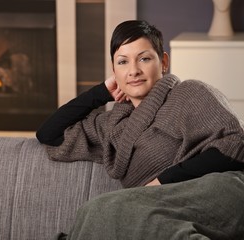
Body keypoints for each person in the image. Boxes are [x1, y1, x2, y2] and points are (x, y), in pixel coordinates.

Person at [36, 20, 244, 239]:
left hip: (222, 190)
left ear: (163, 62)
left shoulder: (188, 93)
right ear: (113, 69)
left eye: (144, 59)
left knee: (103, 208)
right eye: (123, 62)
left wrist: (160, 183)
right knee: (126, 217)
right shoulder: (113, 125)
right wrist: (102, 91)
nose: (133, 71)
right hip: (158, 212)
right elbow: (48, 134)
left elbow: (236, 145)